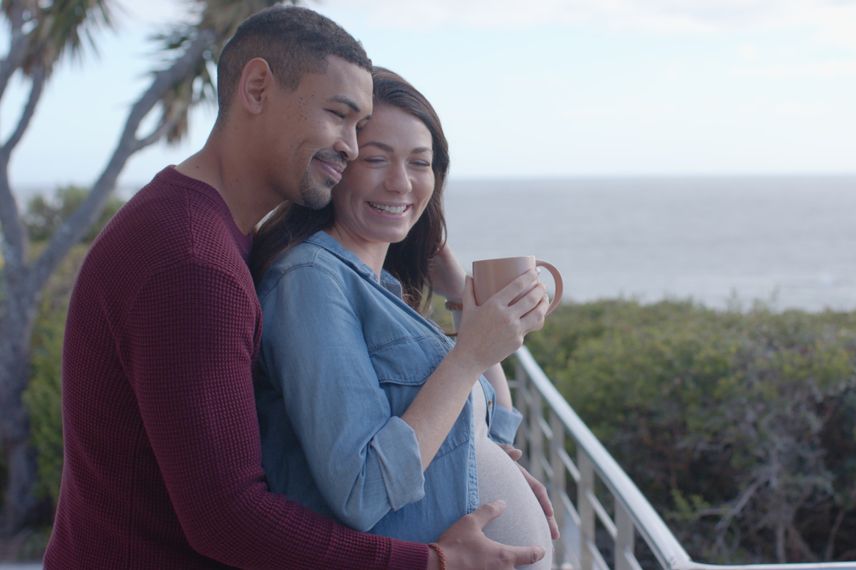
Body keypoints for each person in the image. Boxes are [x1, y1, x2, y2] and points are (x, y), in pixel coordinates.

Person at [44, 6, 544, 569]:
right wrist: (432, 563)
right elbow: (227, 519)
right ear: (257, 87)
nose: (352, 148)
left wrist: (471, 462)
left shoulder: (218, 236)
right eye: (339, 115)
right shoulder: (191, 263)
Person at [249, 67, 557, 568]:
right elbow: (362, 488)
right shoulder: (309, 280)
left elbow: (496, 426)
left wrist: (458, 291)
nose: (401, 182)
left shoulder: (380, 287)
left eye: (420, 163)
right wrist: (467, 356)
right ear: (336, 163)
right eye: (376, 159)